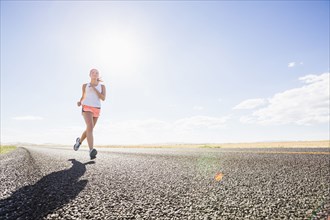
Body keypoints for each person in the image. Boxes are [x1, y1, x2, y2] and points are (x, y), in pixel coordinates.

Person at [74, 69, 106, 159]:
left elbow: (103, 98)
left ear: (98, 75)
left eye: (96, 73)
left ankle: (79, 142)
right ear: (90, 75)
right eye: (93, 72)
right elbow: (83, 96)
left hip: (97, 108)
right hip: (86, 107)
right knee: (90, 127)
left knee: (89, 128)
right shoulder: (85, 85)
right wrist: (80, 102)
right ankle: (91, 150)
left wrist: (94, 88)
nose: (95, 74)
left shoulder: (102, 86)